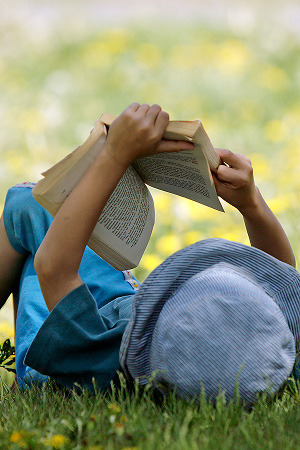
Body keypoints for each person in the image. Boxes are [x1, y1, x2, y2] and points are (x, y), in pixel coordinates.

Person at [0, 103, 299, 407]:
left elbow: (54, 266)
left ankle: (19, 377)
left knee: (28, 207)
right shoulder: (265, 365)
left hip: (66, 338)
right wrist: (252, 204)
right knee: (34, 211)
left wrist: (115, 156)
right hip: (116, 308)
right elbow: (280, 280)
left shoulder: (98, 361)